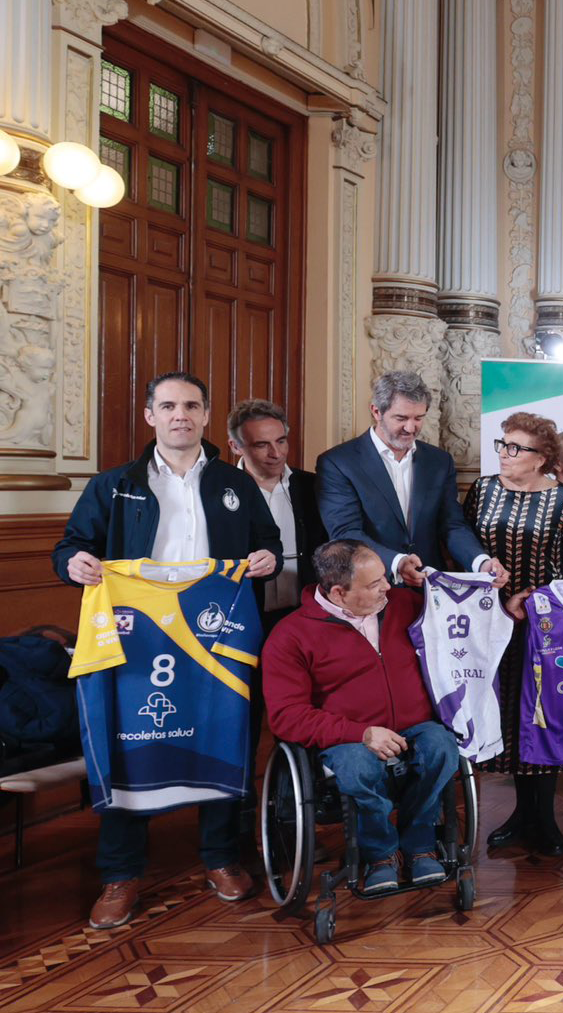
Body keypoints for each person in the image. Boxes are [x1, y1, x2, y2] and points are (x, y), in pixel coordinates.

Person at [53, 371, 281, 928]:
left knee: (222, 734)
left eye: (192, 406)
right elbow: (71, 546)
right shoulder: (114, 484)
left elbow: (268, 541)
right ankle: (120, 873)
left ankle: (221, 857)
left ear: (206, 416)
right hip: (138, 637)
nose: (182, 415)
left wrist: (267, 559)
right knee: (130, 743)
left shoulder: (233, 482)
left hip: (214, 634)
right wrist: (73, 564)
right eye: (170, 405)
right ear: (151, 415)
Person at [262, 539, 464, 891]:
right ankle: (379, 854)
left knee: (442, 748)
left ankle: (420, 845)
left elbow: (467, 616)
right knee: (358, 766)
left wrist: (509, 606)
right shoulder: (290, 636)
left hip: (416, 725)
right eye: (374, 584)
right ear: (339, 593)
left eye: (384, 577)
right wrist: (362, 733)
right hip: (348, 736)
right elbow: (287, 716)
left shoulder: (406, 605)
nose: (388, 586)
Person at [466, 411, 563, 857]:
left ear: (541, 458)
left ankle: (544, 817)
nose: (504, 453)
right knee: (507, 716)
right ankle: (522, 814)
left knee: (541, 714)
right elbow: (462, 547)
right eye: (503, 444)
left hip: (544, 625)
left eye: (516, 448)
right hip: (491, 621)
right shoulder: (482, 490)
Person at [315, 370, 506, 589]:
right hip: (371, 588)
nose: (410, 428)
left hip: (430, 587)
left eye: (418, 418)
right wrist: (397, 563)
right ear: (376, 411)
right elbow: (346, 533)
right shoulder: (338, 463)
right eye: (401, 418)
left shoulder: (439, 461)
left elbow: (452, 525)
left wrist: (480, 562)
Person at [227, 398, 326, 631]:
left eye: (281, 441)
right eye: (262, 445)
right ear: (235, 446)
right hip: (242, 619)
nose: (277, 453)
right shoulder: (222, 490)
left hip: (306, 617)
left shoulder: (314, 487)